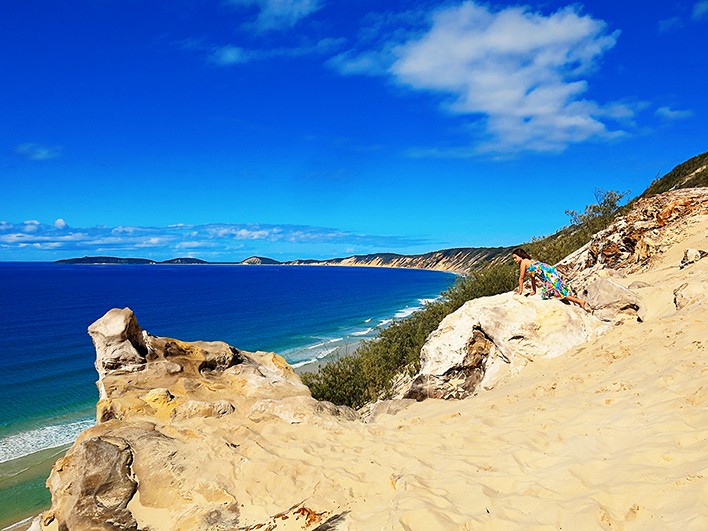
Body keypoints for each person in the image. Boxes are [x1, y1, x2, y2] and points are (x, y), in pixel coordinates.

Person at [511, 248, 590, 311]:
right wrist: (534, 291)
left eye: (515, 257)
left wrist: (520, 292)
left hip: (548, 274)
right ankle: (577, 302)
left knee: (557, 292)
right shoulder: (528, 261)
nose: (515, 260)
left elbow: (521, 278)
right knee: (558, 290)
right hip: (550, 272)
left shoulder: (524, 262)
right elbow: (533, 278)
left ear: (520, 255)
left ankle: (580, 302)